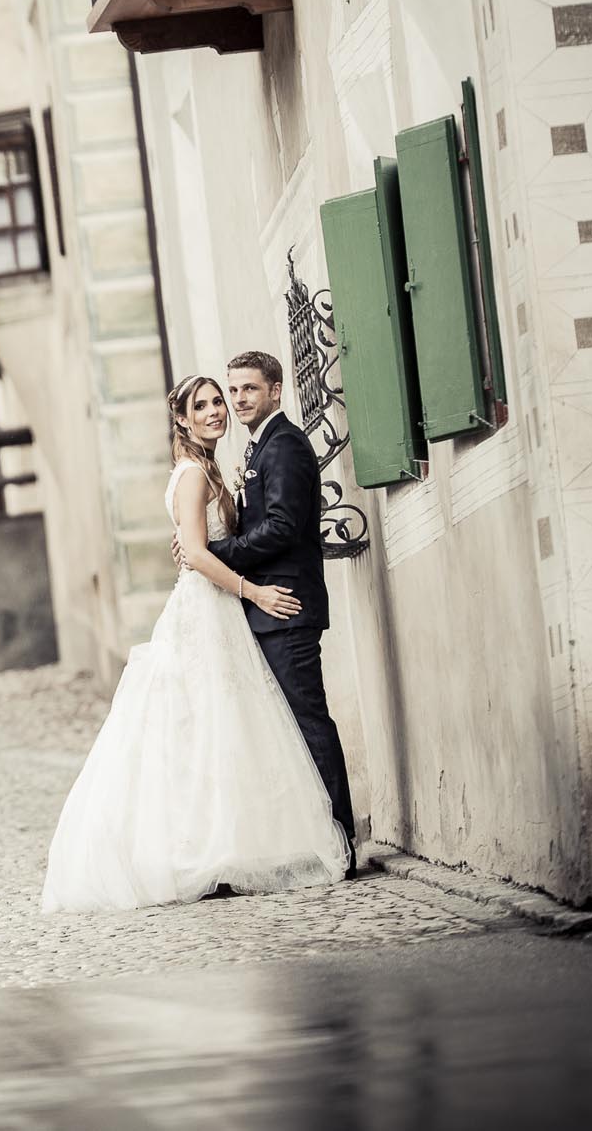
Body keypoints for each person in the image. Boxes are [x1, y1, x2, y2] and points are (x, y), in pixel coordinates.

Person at [40, 372, 350, 913]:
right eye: (201, 406)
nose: (215, 411)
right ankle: (205, 849)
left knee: (227, 730)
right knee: (205, 729)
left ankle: (237, 843)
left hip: (222, 610)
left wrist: (206, 552)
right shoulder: (191, 474)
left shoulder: (208, 468)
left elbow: (205, 542)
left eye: (217, 402)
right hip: (209, 608)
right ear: (182, 419)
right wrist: (253, 590)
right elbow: (199, 555)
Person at [202, 351, 358, 871]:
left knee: (308, 721)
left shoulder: (285, 444)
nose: (238, 399)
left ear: (276, 390)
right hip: (268, 607)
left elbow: (283, 527)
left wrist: (216, 552)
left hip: (286, 604)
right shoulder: (260, 445)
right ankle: (316, 837)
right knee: (288, 726)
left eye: (249, 388)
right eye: (233, 390)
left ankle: (341, 842)